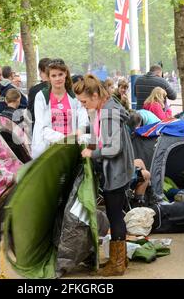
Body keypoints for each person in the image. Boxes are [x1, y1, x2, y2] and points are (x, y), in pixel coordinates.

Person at [74, 74, 134, 277]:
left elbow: (113, 147)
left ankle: (117, 263)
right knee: (115, 213)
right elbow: (102, 134)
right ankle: (120, 258)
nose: (82, 105)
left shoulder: (108, 113)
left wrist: (93, 153)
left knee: (115, 215)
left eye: (84, 101)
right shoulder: (104, 107)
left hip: (116, 171)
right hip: (117, 170)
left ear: (95, 95)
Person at [31, 59, 89, 159]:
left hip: (73, 146)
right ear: (49, 77)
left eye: (60, 74)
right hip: (50, 148)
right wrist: (65, 139)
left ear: (65, 74)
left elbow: (83, 120)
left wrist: (79, 131)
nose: (57, 78)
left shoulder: (74, 95)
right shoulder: (41, 96)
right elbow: (41, 127)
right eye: (53, 76)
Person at [28, 58, 51, 129]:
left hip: (38, 127)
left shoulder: (34, 90)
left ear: (40, 71)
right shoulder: (60, 88)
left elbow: (31, 112)